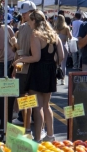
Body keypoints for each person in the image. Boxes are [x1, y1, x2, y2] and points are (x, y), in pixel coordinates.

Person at [19, 11, 65, 141]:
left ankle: (38, 137)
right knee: (47, 105)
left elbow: (36, 57)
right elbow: (61, 56)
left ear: (34, 21)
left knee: (37, 107)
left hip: (38, 71)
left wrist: (21, 59)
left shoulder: (36, 35)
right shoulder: (54, 35)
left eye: (29, 21)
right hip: (50, 71)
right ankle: (50, 135)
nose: (28, 23)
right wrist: (52, 63)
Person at [12, 1, 37, 129]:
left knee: (34, 99)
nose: (23, 15)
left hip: (34, 66)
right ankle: (25, 123)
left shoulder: (39, 27)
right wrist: (15, 68)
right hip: (22, 66)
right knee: (23, 96)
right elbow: (19, 49)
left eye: (25, 13)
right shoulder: (22, 27)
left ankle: (33, 125)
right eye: (22, 13)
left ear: (32, 12)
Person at [54, 15, 73, 82]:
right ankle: (63, 79)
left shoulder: (55, 27)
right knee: (63, 64)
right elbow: (70, 37)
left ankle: (55, 78)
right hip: (64, 45)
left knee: (55, 63)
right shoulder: (66, 28)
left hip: (56, 45)